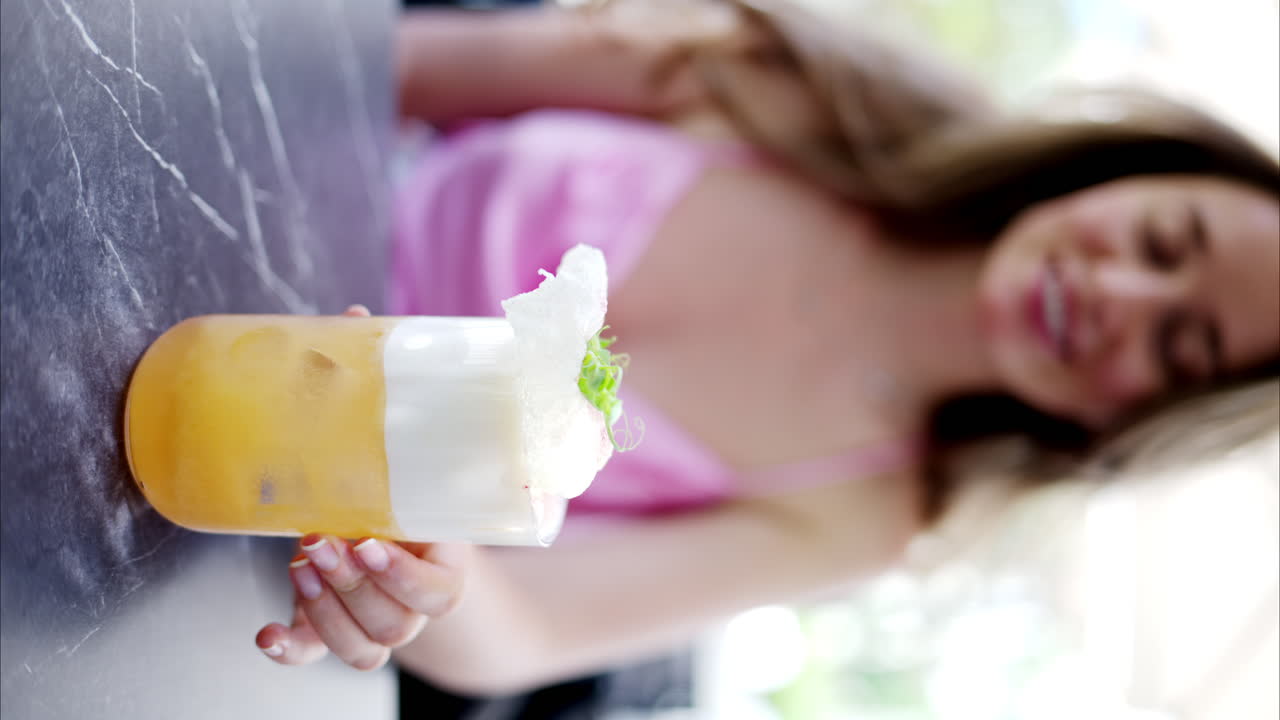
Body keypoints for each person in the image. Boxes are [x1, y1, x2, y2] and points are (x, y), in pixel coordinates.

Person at [254, 0, 1280, 695]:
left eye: (1177, 348)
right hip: (234, 197)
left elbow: (523, 631)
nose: (1117, 295)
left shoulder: (864, 516)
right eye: (1160, 241)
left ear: (1138, 424)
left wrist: (426, 580)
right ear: (1121, 170)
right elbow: (377, 66)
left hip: (264, 471)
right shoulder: (803, 91)